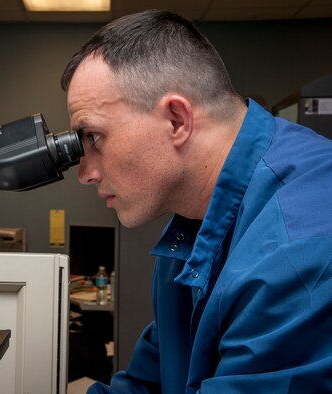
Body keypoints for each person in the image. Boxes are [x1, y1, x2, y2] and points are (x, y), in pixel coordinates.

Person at [60, 9, 332, 394]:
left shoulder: (299, 252)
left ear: (176, 120)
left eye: (95, 138)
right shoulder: (190, 235)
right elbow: (145, 386)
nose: (85, 172)